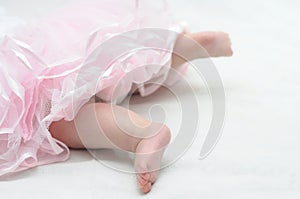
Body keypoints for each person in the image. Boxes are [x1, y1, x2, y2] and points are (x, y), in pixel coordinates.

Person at [0, 0, 232, 194]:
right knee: (112, 71)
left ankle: (141, 134)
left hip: (19, 76)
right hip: (48, 42)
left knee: (60, 122)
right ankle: (178, 50)